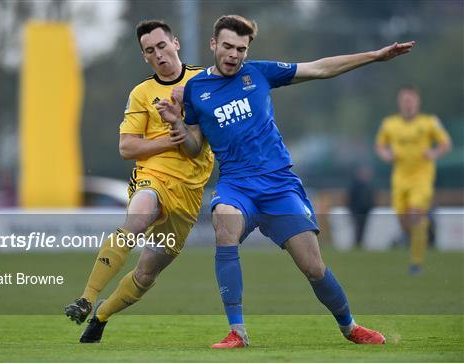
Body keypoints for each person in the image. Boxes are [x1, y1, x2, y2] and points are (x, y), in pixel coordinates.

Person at [157, 14, 414, 348]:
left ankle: (350, 326)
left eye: (241, 49)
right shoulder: (195, 90)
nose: (234, 54)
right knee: (224, 225)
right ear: (213, 44)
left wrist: (374, 56)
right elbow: (194, 147)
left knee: (313, 267)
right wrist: (178, 126)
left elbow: (320, 68)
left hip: (279, 185)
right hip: (237, 185)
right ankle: (238, 331)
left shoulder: (259, 73)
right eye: (228, 46)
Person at [64, 20, 214, 343]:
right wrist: (169, 142)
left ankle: (101, 314)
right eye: (150, 51)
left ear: (175, 43)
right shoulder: (141, 94)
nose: (158, 54)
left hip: (188, 197)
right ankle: (86, 297)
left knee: (146, 273)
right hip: (152, 178)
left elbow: (203, 140)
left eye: (162, 46)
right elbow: (127, 147)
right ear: (144, 57)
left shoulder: (204, 81)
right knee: (136, 220)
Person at [375, 86, 451, 275]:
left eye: (411, 100)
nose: (408, 104)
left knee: (416, 212)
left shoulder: (429, 122)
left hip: (422, 176)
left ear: (417, 102)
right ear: (399, 103)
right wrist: (386, 155)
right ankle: (424, 229)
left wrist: (433, 152)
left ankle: (416, 262)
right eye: (404, 100)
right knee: (403, 220)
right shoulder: (389, 124)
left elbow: (445, 143)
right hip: (400, 177)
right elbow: (380, 145)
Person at [347, 165, 375, 247]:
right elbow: (351, 198)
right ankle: (357, 243)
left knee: (363, 228)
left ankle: (360, 243)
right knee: (357, 227)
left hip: (366, 211)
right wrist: (351, 209)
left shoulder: (369, 185)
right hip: (357, 210)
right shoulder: (355, 186)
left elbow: (371, 198)